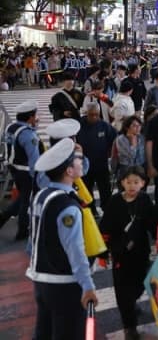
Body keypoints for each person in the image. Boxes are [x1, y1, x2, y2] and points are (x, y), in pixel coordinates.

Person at [26, 139, 98, 339]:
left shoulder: (42, 195)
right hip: (64, 284)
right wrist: (87, 286)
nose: (81, 162)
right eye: (77, 160)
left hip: (41, 278)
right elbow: (75, 250)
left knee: (44, 332)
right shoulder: (67, 207)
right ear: (69, 171)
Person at [99, 165, 157, 340]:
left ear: (143, 183)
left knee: (140, 284)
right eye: (128, 182)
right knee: (123, 291)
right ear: (122, 182)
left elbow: (153, 225)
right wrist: (102, 253)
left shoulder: (145, 200)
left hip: (141, 253)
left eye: (136, 182)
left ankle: (131, 303)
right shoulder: (115, 201)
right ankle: (129, 327)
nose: (132, 186)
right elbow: (104, 228)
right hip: (120, 254)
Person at [0, 100, 43, 240]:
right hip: (26, 172)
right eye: (35, 115)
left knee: (22, 198)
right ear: (30, 117)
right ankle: (22, 231)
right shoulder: (29, 135)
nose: (37, 118)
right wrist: (37, 178)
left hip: (14, 169)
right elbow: (34, 161)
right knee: (26, 201)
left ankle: (3, 218)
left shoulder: (11, 128)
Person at [77, 102, 117, 213]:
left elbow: (115, 140)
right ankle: (91, 210)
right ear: (86, 113)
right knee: (87, 191)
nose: (94, 117)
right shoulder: (79, 126)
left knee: (105, 190)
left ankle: (107, 210)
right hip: (85, 166)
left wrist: (112, 155)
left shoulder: (104, 126)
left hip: (101, 165)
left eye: (96, 114)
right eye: (91, 114)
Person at [111, 115, 145, 179]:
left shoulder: (141, 138)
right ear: (127, 128)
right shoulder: (121, 139)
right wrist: (132, 142)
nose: (138, 128)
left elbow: (142, 156)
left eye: (139, 125)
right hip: (126, 169)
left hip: (140, 168)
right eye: (134, 126)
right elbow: (131, 156)